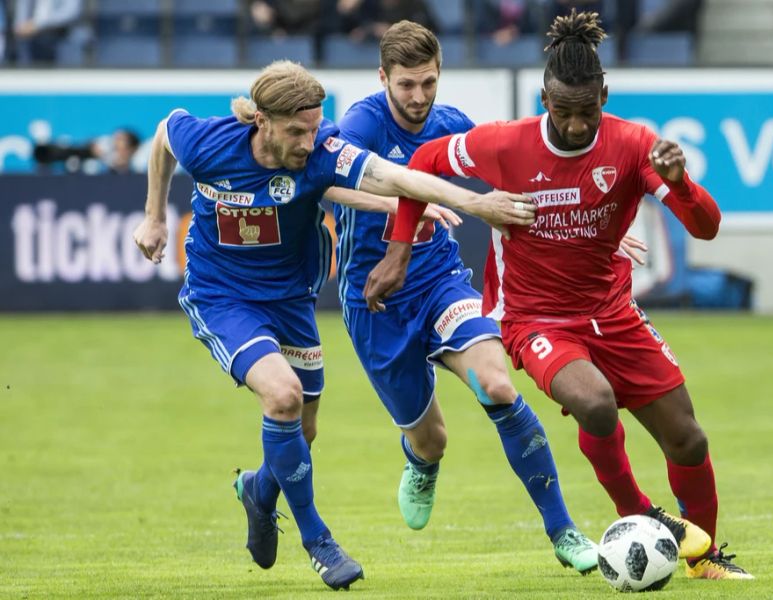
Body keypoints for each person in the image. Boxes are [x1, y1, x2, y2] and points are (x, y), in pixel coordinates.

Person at [364, 9, 754, 580]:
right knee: (594, 403)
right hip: (536, 320)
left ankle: (706, 558)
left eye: (587, 112)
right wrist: (399, 251)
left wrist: (679, 184)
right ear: (545, 100)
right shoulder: (504, 145)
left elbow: (706, 227)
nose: (576, 126)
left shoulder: (633, 144)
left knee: (688, 439)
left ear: (604, 95)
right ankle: (639, 514)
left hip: (614, 313)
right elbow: (422, 162)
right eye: (564, 112)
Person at [131, 60, 535, 591]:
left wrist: (471, 202)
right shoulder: (209, 142)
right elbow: (163, 135)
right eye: (297, 131)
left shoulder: (321, 151)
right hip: (223, 296)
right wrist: (155, 215)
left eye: (316, 126)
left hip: (291, 299)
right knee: (283, 397)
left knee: (304, 429)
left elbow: (395, 175)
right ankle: (318, 540)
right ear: (261, 121)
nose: (310, 140)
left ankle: (259, 490)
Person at [328, 19, 601, 574]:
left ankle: (563, 530)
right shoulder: (360, 123)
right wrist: (412, 201)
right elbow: (327, 184)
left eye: (428, 82)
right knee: (431, 439)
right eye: (405, 85)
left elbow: (529, 175)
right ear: (383, 78)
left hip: (440, 283)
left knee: (497, 384)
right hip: (376, 301)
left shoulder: (451, 125)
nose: (418, 97)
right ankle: (421, 462)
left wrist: (601, 227)